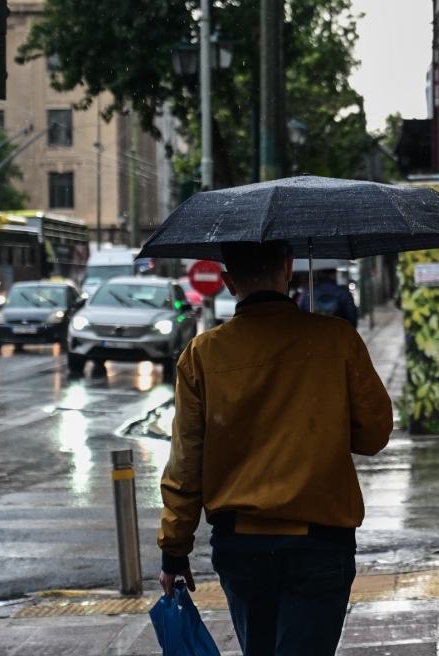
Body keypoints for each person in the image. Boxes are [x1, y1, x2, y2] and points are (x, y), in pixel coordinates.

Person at [157, 240, 393, 656]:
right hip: (321, 544)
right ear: (288, 268)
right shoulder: (336, 339)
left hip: (241, 548)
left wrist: (174, 550)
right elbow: (374, 436)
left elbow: (185, 464)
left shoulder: (202, 354)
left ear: (228, 282)